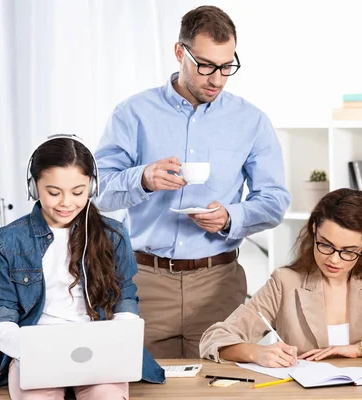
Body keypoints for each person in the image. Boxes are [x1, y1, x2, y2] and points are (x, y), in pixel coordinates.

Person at [94, 5, 290, 359]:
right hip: (143, 283)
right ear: (179, 52)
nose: (216, 79)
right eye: (206, 66)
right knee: (140, 386)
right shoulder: (133, 113)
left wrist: (231, 217)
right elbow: (100, 192)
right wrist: (143, 178)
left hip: (219, 283)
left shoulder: (251, 121)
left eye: (227, 66)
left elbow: (274, 199)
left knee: (223, 386)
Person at [0, 135, 164, 398]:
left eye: (78, 192)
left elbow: (125, 297)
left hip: (99, 351)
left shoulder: (113, 235)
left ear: (92, 187)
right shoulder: (5, 241)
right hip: (34, 354)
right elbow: (2, 312)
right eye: (53, 192)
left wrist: (120, 338)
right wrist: (30, 350)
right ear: (34, 187)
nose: (66, 203)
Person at [200, 188, 362, 366]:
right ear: (314, 228)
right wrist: (256, 352)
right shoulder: (285, 282)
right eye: (326, 245)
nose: (334, 260)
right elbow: (214, 338)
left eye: (349, 252)